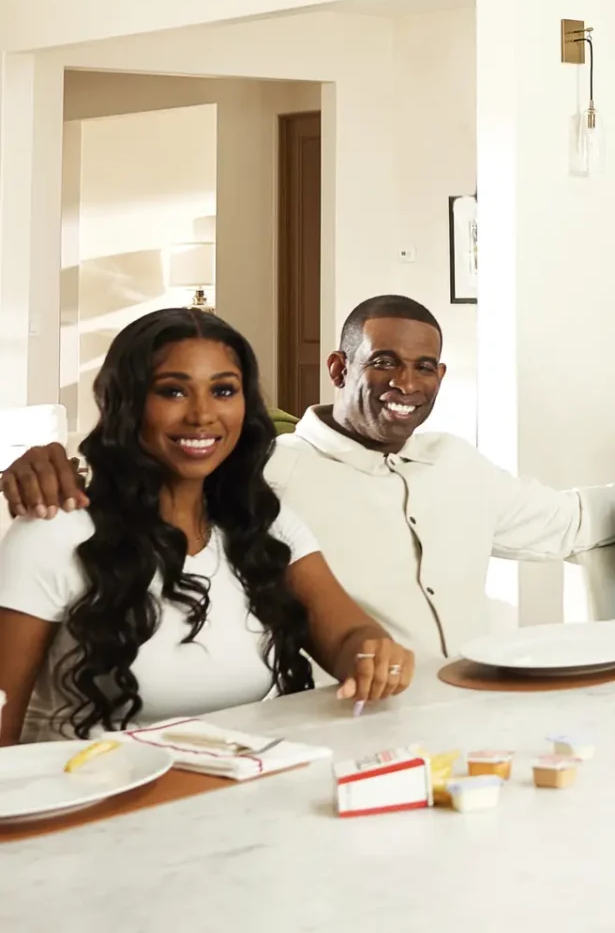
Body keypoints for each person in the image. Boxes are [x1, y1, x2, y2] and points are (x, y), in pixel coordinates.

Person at [0, 296, 615, 656]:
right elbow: (163, 473)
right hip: (343, 728)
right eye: (383, 362)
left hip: (468, 714)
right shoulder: (269, 470)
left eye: (425, 366)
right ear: (338, 367)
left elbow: (569, 522)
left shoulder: (459, 462)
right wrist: (50, 462)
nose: (405, 383)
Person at [0, 310, 411, 744]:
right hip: (86, 803)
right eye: (173, 391)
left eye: (223, 390)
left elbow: (348, 636)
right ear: (127, 402)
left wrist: (371, 653)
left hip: (230, 798)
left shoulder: (265, 528)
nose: (202, 415)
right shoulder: (53, 534)